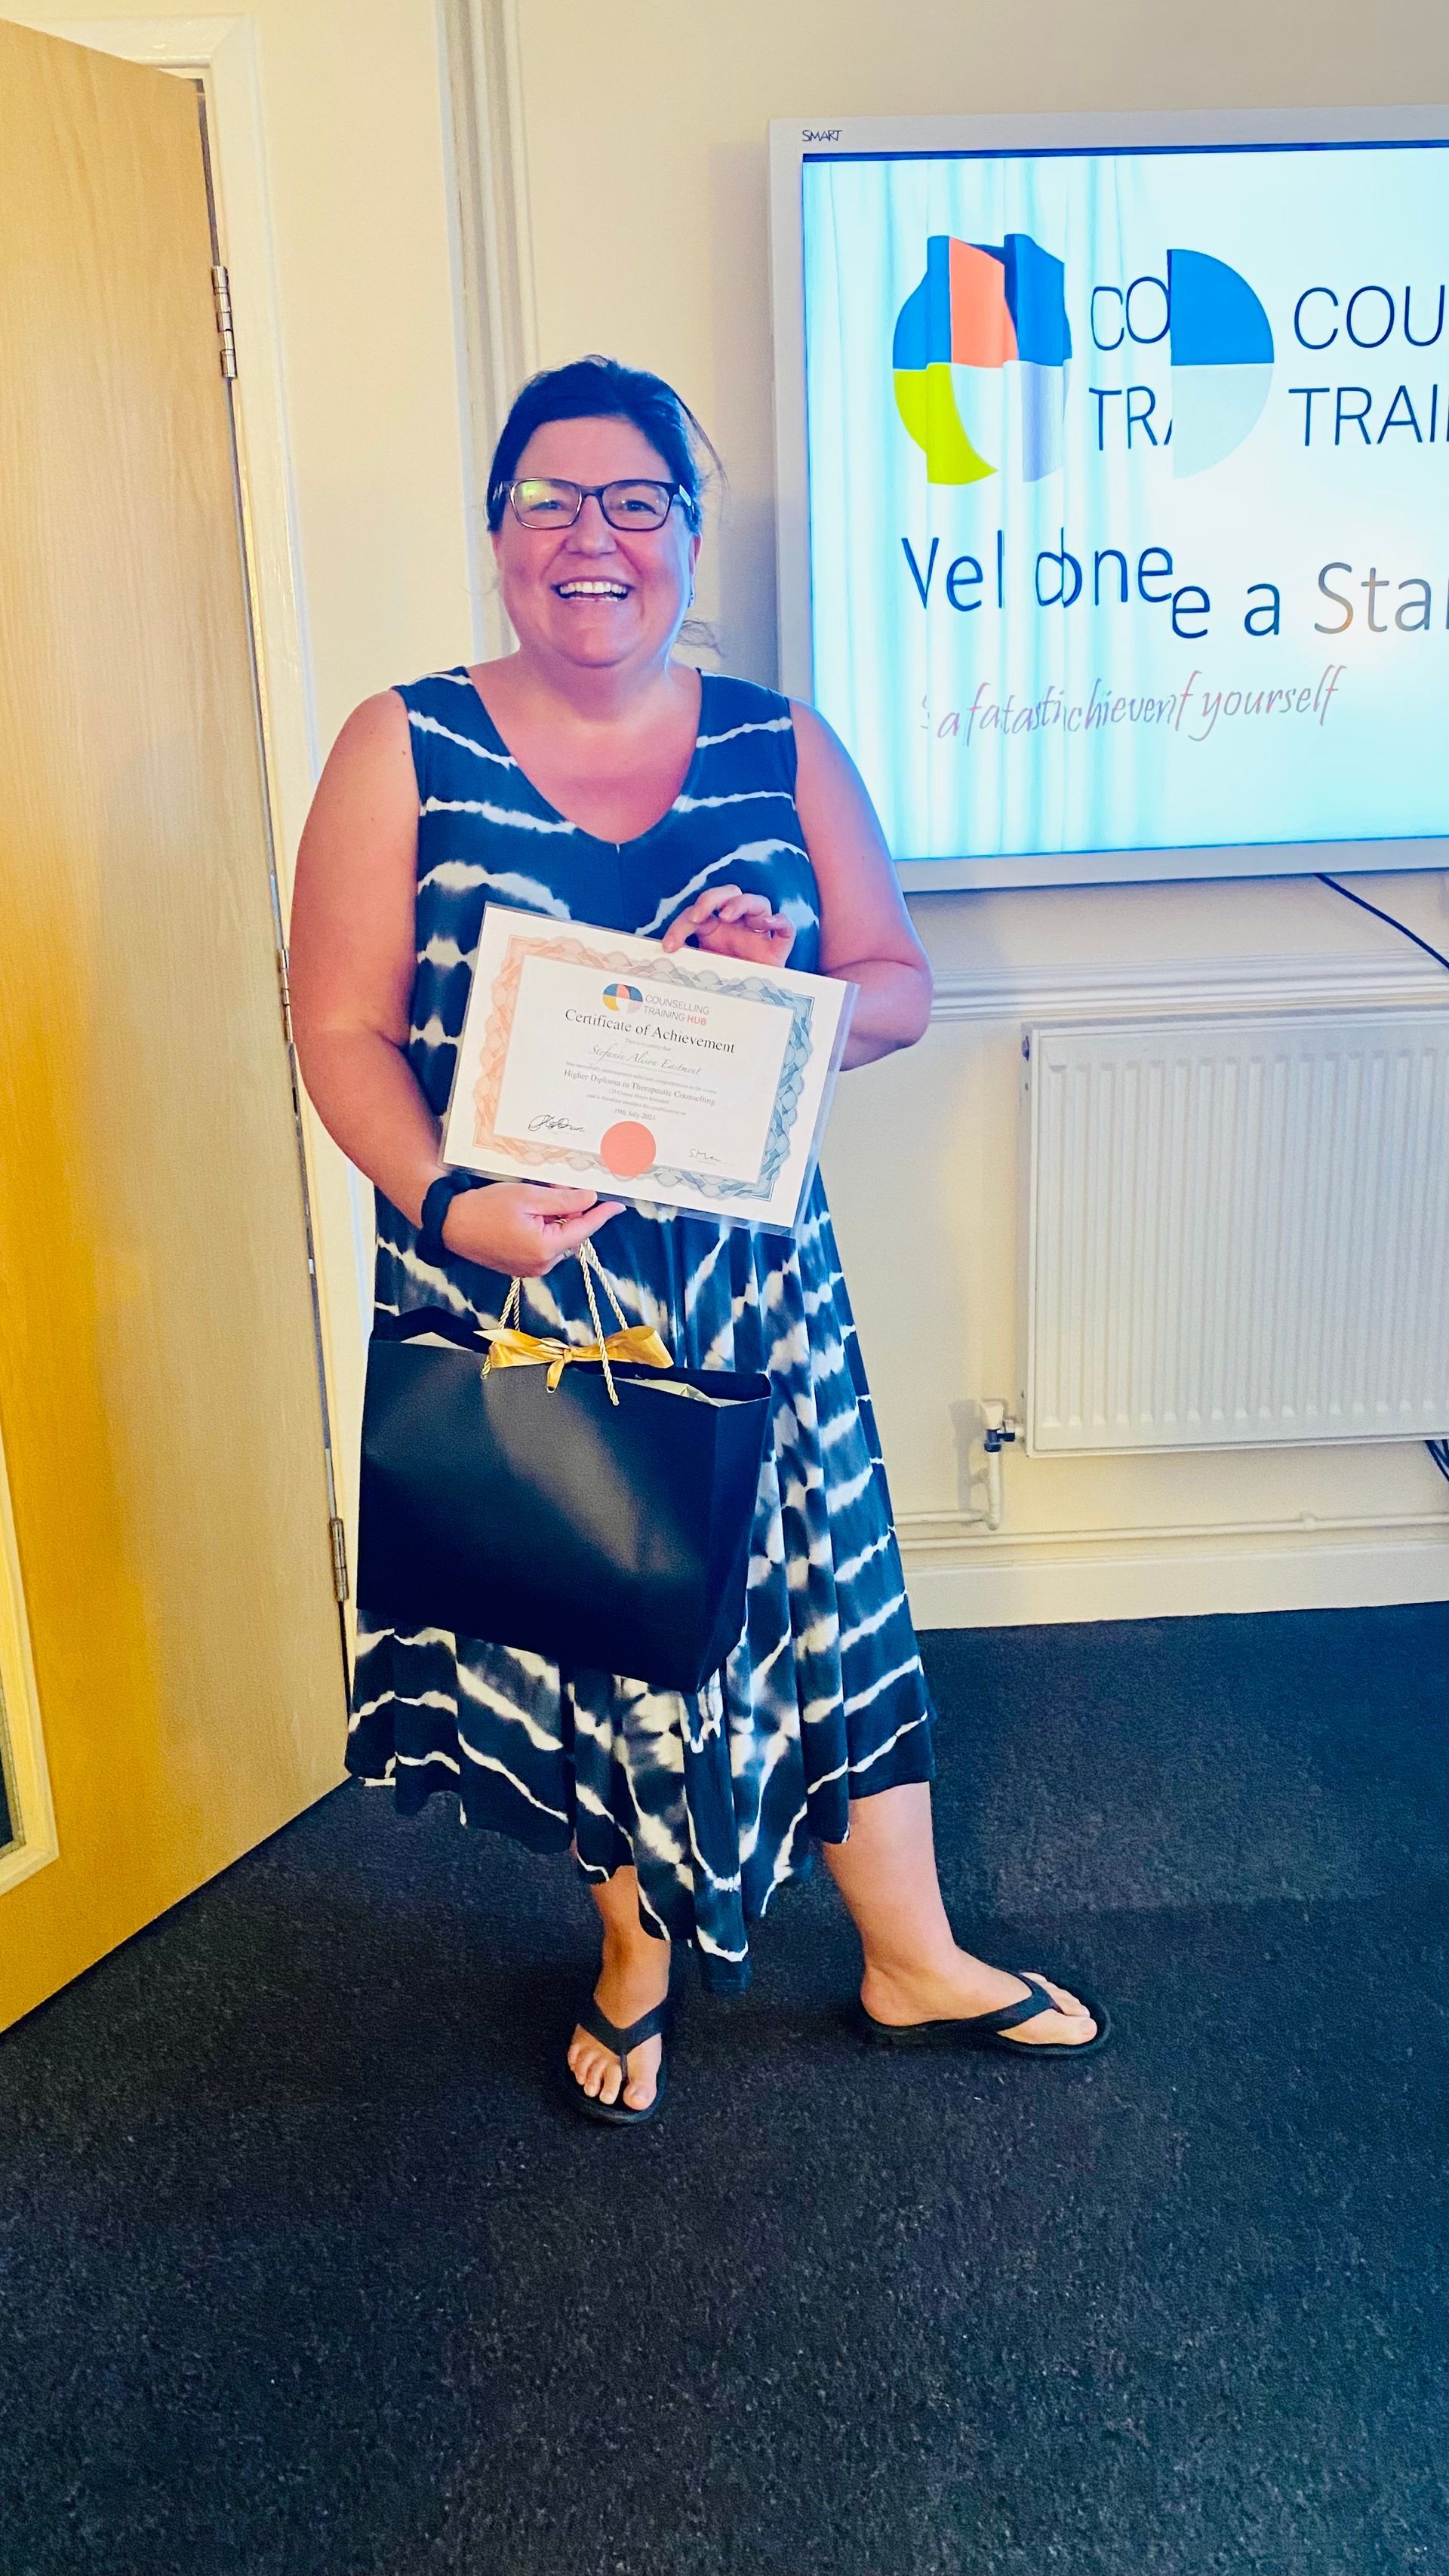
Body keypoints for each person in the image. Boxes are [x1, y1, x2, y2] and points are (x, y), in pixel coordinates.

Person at [290, 355, 1107, 2126]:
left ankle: (910, 1955)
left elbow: (898, 987)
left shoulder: (780, 743)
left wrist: (785, 987)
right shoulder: (400, 742)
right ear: (500, 531)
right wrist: (450, 1207)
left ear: (685, 528)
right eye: (549, 501)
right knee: (598, 1619)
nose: (591, 537)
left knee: (826, 1607)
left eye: (633, 501)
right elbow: (336, 1029)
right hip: (520, 1280)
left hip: (755, 1293)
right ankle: (633, 1953)